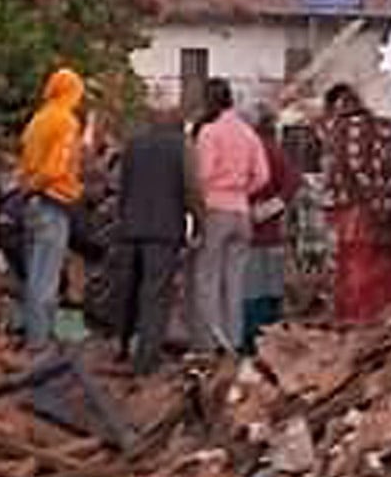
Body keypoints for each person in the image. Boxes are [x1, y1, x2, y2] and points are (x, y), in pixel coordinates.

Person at [320, 85, 391, 325]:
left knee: (356, 271)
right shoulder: (387, 128)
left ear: (334, 108)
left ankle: (359, 325)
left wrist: (368, 202)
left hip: (355, 213)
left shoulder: (338, 131)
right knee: (389, 272)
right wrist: (389, 199)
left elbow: (344, 175)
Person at [188, 79, 272, 354]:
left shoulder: (210, 133)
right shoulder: (249, 134)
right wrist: (243, 190)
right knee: (234, 282)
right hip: (242, 212)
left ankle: (209, 343)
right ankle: (233, 342)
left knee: (207, 279)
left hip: (216, 209)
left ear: (209, 101)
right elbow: (263, 176)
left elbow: (202, 174)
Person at [109, 99, 193, 373]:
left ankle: (121, 347)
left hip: (131, 228)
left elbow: (122, 186)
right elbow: (191, 188)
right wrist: (200, 223)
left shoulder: (133, 145)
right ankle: (146, 359)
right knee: (155, 294)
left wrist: (121, 219)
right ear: (175, 121)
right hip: (165, 231)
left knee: (128, 290)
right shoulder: (181, 146)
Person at [13, 67, 87, 350]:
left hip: (32, 204)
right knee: (47, 278)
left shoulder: (37, 119)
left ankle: (36, 336)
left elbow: (25, 162)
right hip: (52, 201)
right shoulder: (65, 122)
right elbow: (56, 167)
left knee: (34, 275)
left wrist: (27, 187)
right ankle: (39, 344)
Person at [241, 108, 301, 350]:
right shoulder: (276, 152)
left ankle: (250, 342)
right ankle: (270, 340)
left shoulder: (252, 150)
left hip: (250, 234)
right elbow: (293, 182)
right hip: (272, 233)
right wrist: (274, 207)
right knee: (271, 290)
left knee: (251, 292)